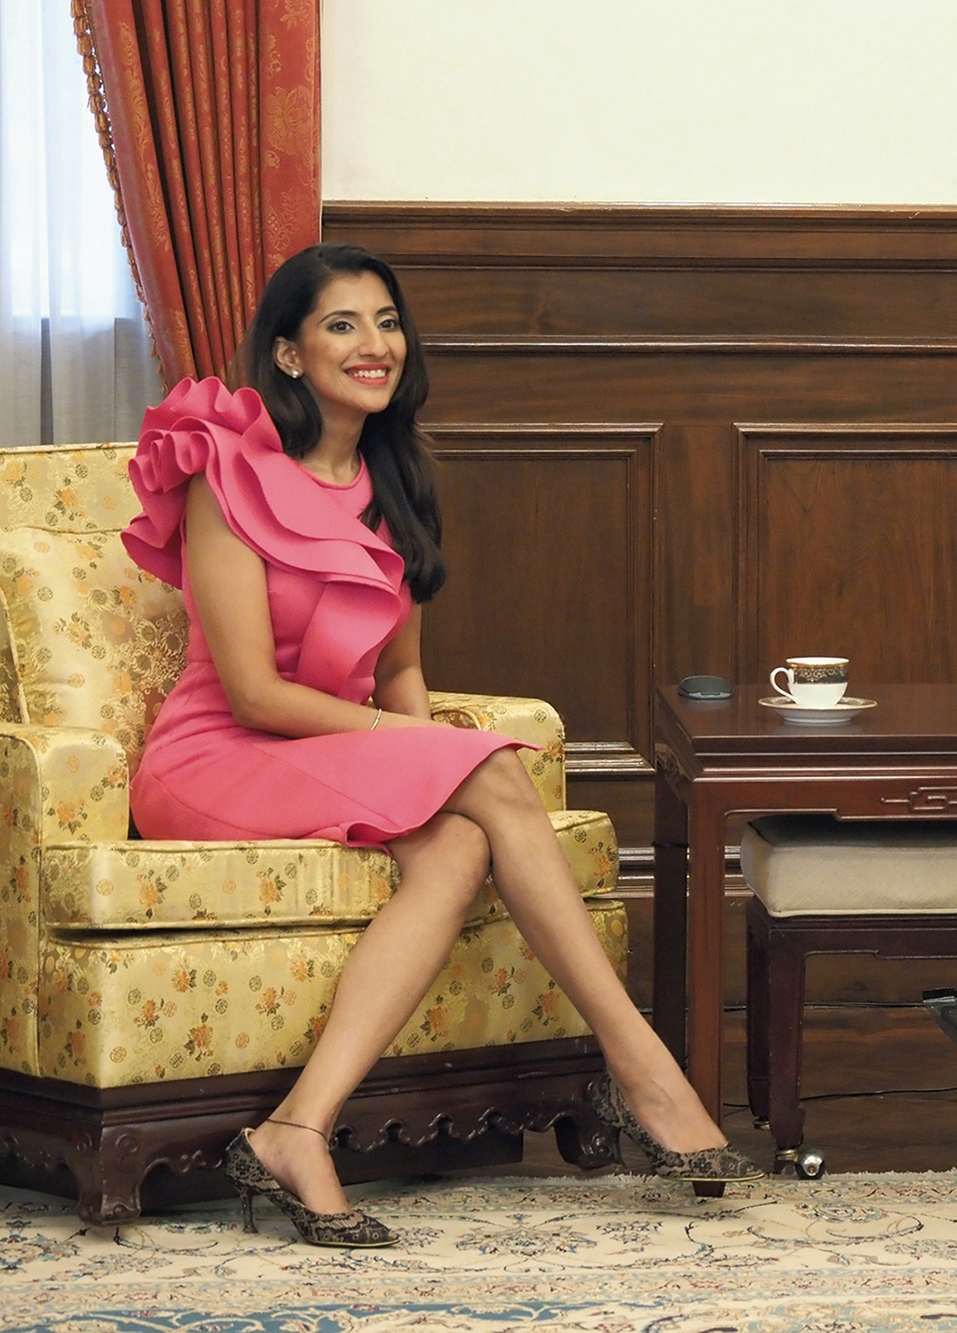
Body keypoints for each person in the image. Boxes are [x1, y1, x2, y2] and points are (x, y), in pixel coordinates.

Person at [124, 243, 761, 1248]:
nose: (373, 344)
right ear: (288, 353)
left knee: (461, 842)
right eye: (342, 324)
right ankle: (640, 1063)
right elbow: (254, 693)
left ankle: (296, 1128)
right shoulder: (228, 474)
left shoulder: (395, 482)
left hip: (323, 753)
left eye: (387, 322)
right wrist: (420, 746)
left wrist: (420, 747)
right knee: (489, 766)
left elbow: (399, 674)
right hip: (214, 757)